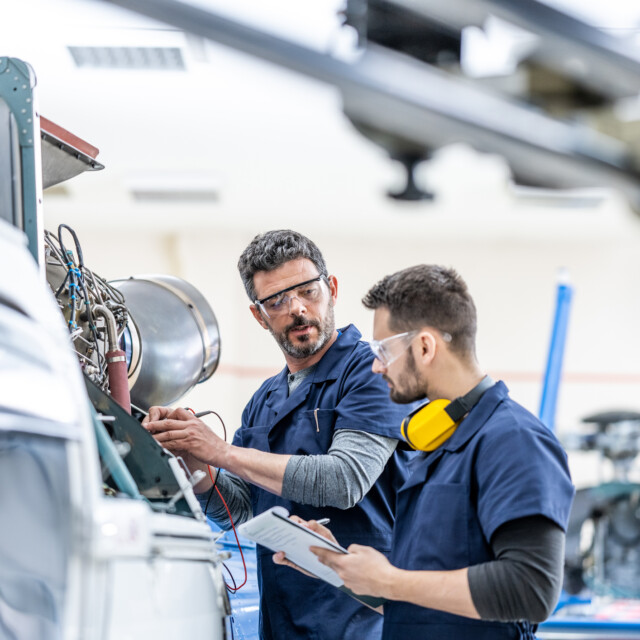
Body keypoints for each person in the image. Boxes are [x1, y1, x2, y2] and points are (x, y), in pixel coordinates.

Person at [275, 264, 575, 640]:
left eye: (383, 349)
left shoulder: (513, 440)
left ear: (424, 346)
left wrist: (391, 580)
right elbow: (417, 601)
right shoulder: (435, 450)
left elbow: (532, 588)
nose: (376, 365)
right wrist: (337, 566)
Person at [143, 230, 414, 640]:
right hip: (284, 618)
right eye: (277, 301)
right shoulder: (263, 400)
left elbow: (345, 481)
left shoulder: (371, 373)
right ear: (259, 315)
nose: (298, 309)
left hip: (362, 621)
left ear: (332, 289)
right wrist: (193, 457)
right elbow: (239, 511)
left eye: (308, 291)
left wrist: (219, 451)